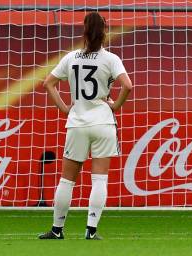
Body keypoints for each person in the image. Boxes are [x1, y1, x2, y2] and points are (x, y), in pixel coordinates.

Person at [38, 12, 133, 240]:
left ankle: (57, 229)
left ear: (84, 30)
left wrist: (63, 108)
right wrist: (115, 105)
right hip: (103, 122)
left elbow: (48, 83)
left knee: (67, 180)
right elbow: (128, 85)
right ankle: (91, 231)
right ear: (104, 31)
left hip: (77, 123)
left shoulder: (71, 58)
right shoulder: (110, 58)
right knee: (99, 179)